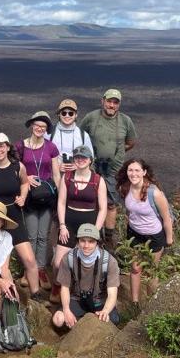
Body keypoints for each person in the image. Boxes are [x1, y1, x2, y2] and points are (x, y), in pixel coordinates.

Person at [0, 133, 47, 303]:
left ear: (8, 147)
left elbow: (24, 183)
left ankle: (35, 293)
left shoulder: (18, 167)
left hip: (14, 216)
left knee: (29, 259)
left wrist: (23, 196)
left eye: (1, 146)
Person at [79, 88, 138, 250]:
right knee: (91, 201)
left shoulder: (126, 121)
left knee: (111, 204)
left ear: (118, 105)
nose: (111, 105)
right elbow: (79, 136)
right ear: (102, 101)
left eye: (115, 102)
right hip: (92, 168)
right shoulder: (91, 117)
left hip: (114, 170)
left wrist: (118, 153)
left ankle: (109, 238)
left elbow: (131, 141)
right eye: (109, 101)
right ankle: (90, 235)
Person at [50, 145, 107, 304]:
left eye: (84, 157)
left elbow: (102, 209)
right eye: (77, 158)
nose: (80, 160)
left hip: (88, 228)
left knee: (82, 263)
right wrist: (62, 225)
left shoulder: (98, 180)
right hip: (69, 225)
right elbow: (61, 203)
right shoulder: (67, 177)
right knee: (58, 263)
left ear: (90, 160)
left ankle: (78, 292)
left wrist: (95, 231)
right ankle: (57, 285)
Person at [116, 159, 174, 306]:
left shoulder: (154, 193)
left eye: (137, 170)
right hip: (134, 233)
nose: (133, 173)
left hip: (154, 236)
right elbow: (130, 211)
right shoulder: (125, 188)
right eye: (130, 170)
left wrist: (169, 239)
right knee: (135, 268)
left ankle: (151, 303)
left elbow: (166, 218)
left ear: (144, 172)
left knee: (151, 271)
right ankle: (135, 302)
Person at [15, 111, 60, 292]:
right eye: (37, 125)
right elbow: (15, 169)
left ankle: (40, 269)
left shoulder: (51, 147)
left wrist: (60, 196)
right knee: (31, 235)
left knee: (43, 235)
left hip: (47, 195)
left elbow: (56, 173)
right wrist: (26, 176)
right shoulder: (20, 146)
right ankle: (29, 268)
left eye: (44, 127)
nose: (40, 129)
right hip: (30, 195)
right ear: (31, 126)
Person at [52, 224, 120, 329]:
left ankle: (82, 324)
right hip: (78, 299)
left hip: (99, 301)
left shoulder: (109, 261)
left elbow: (112, 294)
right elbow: (64, 287)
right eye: (83, 241)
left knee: (112, 320)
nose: (86, 245)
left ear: (97, 242)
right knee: (58, 319)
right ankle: (77, 326)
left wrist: (105, 311)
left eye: (91, 241)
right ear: (77, 241)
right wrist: (66, 310)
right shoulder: (68, 258)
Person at [48, 99, 93, 164]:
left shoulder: (83, 135)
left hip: (77, 173)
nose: (67, 116)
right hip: (54, 173)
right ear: (59, 114)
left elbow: (90, 157)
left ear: (76, 115)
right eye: (64, 113)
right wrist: (57, 166)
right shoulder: (49, 133)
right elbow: (43, 157)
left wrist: (77, 165)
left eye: (71, 113)